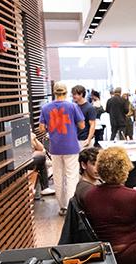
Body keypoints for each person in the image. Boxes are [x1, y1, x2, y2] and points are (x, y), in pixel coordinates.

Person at [39, 82, 84, 216]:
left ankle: (62, 207)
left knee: (58, 177)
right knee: (71, 177)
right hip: (71, 146)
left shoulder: (45, 108)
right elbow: (82, 125)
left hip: (55, 147)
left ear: (54, 92)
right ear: (66, 92)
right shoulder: (73, 106)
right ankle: (71, 208)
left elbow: (41, 128)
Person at [72, 85, 97, 149]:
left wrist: (88, 139)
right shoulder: (74, 107)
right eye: (73, 94)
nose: (73, 96)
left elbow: (92, 125)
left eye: (75, 94)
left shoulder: (90, 108)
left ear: (81, 94)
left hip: (85, 139)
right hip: (75, 139)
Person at [30, 132, 53, 199]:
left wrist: (34, 139)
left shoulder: (29, 134)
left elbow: (41, 148)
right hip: (23, 162)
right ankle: (44, 188)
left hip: (31, 158)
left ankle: (43, 189)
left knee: (41, 157)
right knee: (41, 157)